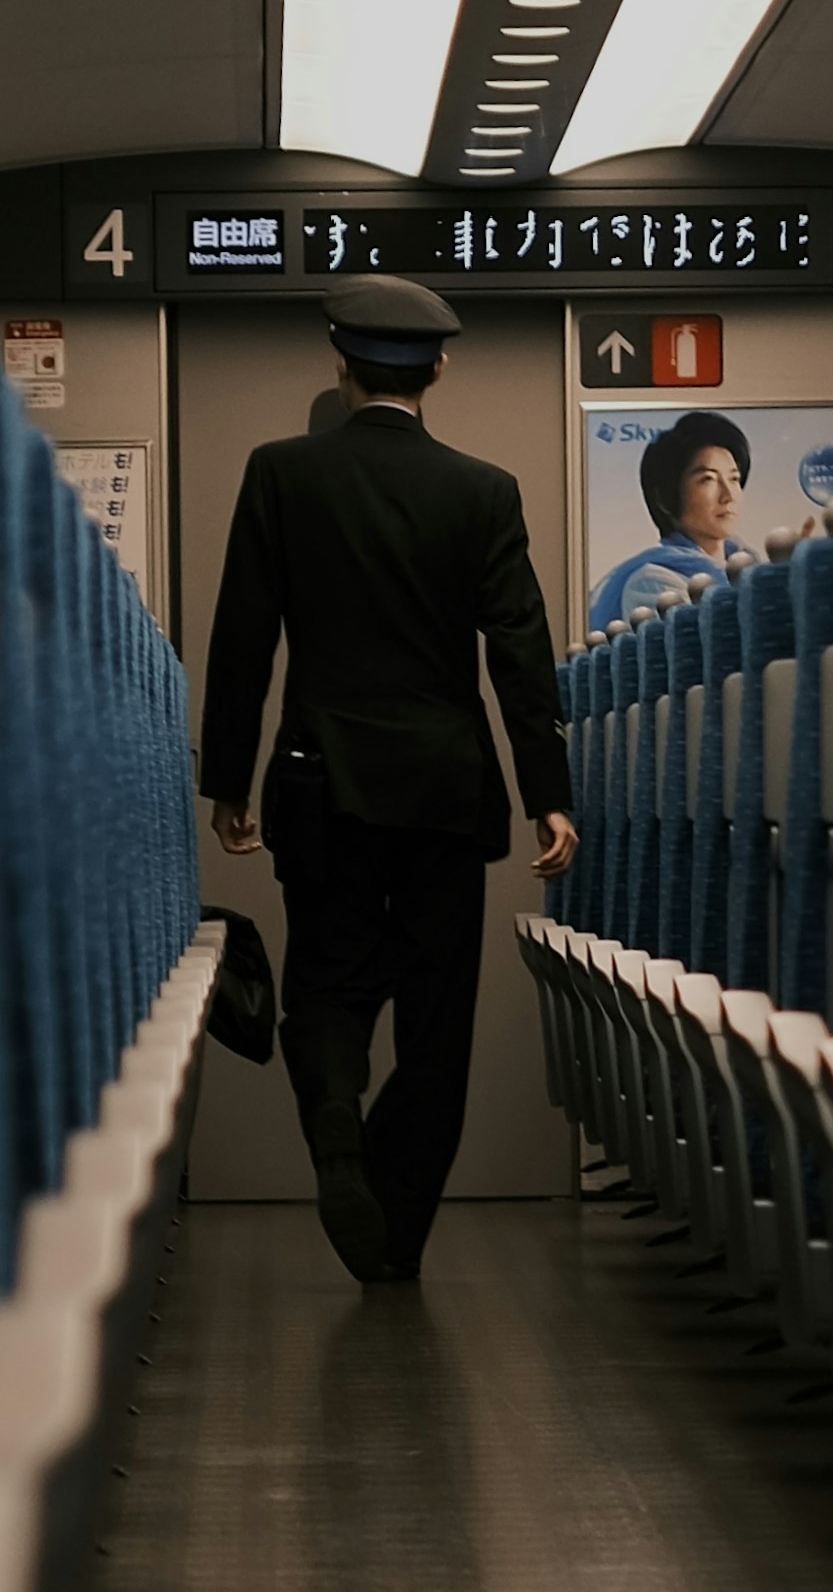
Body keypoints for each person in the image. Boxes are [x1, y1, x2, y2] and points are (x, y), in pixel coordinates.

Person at [199, 275, 578, 1286]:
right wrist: (551, 789)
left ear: (340, 360)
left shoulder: (281, 472)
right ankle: (393, 1234)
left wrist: (226, 778)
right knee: (437, 1008)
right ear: (439, 370)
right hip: (447, 790)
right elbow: (521, 651)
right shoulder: (484, 489)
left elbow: (245, 638)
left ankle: (331, 1113)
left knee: (328, 973)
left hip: (319, 776)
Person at [585, 402, 752, 631]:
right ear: (664, 499)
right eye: (708, 479)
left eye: (734, 479)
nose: (728, 495)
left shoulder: (751, 569)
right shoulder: (651, 582)